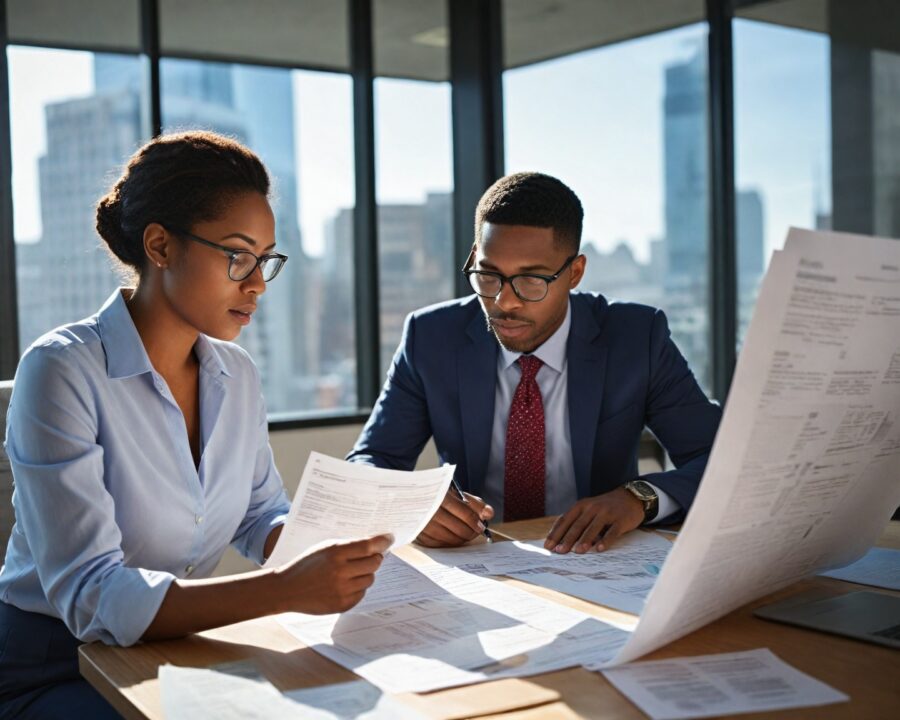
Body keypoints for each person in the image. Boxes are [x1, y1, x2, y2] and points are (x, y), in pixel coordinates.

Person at [0, 131, 389, 719]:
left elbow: (259, 515)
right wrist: (288, 590)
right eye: (237, 255)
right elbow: (91, 595)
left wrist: (337, 549)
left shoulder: (236, 372)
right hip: (56, 664)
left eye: (265, 260)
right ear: (160, 245)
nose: (256, 283)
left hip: (174, 651)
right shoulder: (61, 370)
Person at [348, 172, 721, 553]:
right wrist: (408, 504)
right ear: (474, 258)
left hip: (597, 562)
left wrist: (638, 498)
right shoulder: (430, 338)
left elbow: (721, 458)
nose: (505, 302)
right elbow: (370, 459)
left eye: (531, 281)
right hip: (476, 563)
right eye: (489, 275)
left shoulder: (636, 338)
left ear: (574, 273)